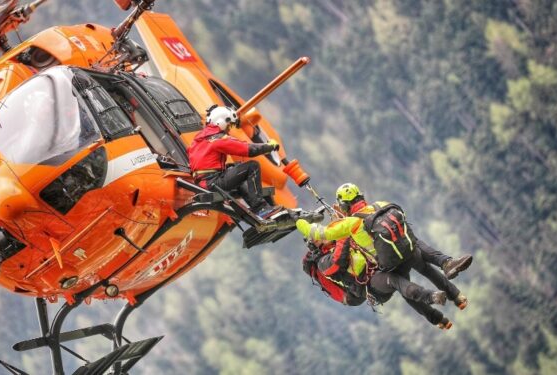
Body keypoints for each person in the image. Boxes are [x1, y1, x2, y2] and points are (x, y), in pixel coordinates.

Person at [296, 183, 473, 309]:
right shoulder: (378, 205)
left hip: (386, 262)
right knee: (416, 249)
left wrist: (300, 223)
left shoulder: (350, 224)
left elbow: (321, 234)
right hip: (402, 250)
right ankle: (448, 268)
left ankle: (442, 296)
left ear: (343, 206)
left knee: (406, 275)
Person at [302, 238, 455, 329]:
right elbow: (339, 260)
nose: (325, 235)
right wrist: (342, 232)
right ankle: (431, 296)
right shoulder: (323, 263)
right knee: (395, 281)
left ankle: (438, 319)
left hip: (375, 274)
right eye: (320, 236)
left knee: (403, 285)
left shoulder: (333, 246)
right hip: (370, 289)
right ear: (316, 245)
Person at [188, 105, 281, 217]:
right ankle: (261, 209)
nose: (228, 129)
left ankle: (264, 209)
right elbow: (247, 149)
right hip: (213, 183)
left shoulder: (199, 139)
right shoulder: (217, 138)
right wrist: (269, 147)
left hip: (204, 183)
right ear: (221, 121)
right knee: (252, 166)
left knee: (236, 169)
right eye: (229, 125)